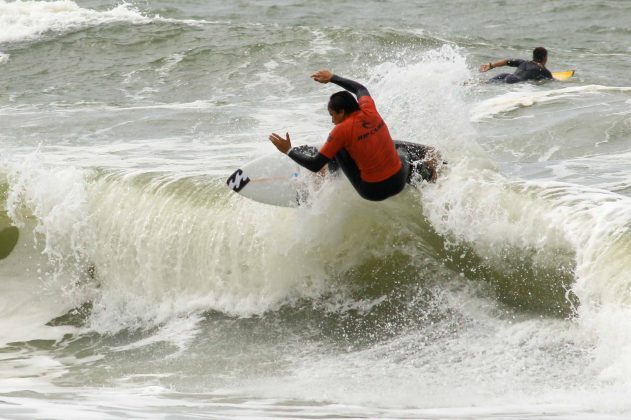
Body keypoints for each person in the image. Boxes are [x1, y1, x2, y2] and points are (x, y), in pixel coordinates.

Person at [268, 69, 438, 202]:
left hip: (371, 191)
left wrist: (288, 150)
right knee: (398, 148)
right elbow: (360, 88)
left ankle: (326, 181)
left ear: (342, 112)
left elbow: (314, 164)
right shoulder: (369, 109)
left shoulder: (340, 131)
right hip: (398, 182)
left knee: (338, 149)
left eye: (332, 114)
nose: (332, 120)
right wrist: (332, 77)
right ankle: (427, 175)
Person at [480, 47, 552, 84]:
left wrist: (491, 65)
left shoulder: (523, 62)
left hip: (505, 76)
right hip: (514, 81)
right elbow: (552, 81)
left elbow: (506, 61)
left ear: (533, 56)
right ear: (544, 58)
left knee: (484, 83)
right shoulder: (543, 71)